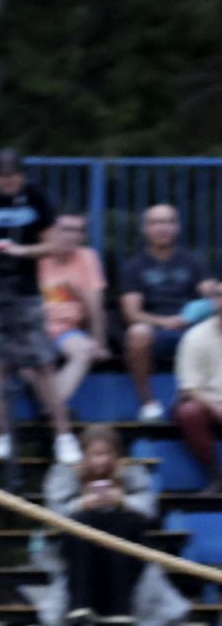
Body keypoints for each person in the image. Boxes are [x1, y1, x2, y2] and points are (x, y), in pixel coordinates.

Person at [0, 149, 79, 465]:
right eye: (3, 177)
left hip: (24, 290)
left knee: (41, 363)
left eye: (14, 176)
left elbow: (53, 244)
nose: (9, 183)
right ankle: (2, 435)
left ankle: (64, 436)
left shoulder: (35, 198)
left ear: (22, 175)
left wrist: (21, 250)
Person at [39, 426, 186, 626]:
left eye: (107, 454)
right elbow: (54, 513)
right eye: (97, 454)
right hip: (80, 550)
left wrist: (121, 501)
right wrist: (83, 503)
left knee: (126, 521)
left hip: (124, 551)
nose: (102, 461)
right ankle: (80, 608)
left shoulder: (133, 474)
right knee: (82, 523)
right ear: (85, 455)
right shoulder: (66, 474)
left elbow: (148, 509)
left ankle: (121, 611)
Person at [119, 205, 214, 421]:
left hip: (193, 330)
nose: (163, 227)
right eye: (156, 222)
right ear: (145, 229)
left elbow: (210, 294)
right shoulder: (133, 267)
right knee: (137, 333)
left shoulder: (194, 262)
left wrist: (208, 297)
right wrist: (164, 322)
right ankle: (149, 404)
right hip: (156, 332)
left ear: (177, 227)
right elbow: (131, 313)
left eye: (169, 221)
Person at [38, 212, 109, 406]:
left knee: (84, 350)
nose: (72, 235)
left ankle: (51, 407)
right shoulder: (36, 256)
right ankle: (56, 412)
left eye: (78, 231)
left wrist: (100, 342)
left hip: (67, 330)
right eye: (66, 229)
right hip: (36, 329)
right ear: (51, 232)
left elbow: (95, 305)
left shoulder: (87, 257)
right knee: (26, 361)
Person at [172, 279, 222, 496]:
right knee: (189, 412)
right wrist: (216, 408)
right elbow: (188, 388)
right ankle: (215, 475)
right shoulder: (195, 336)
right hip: (207, 402)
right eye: (219, 294)